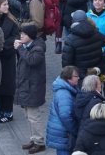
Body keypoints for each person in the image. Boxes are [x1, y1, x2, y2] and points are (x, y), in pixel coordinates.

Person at [14, 24, 47, 153]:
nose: (21, 36)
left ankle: (39, 142)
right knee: (28, 115)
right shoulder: (28, 46)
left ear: (31, 36)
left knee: (34, 116)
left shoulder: (37, 49)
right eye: (21, 33)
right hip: (26, 87)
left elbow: (31, 60)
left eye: (24, 34)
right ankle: (33, 139)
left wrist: (20, 49)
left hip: (33, 88)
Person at [45, 66, 80, 155]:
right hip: (64, 135)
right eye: (76, 76)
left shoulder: (68, 89)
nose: (78, 78)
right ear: (68, 78)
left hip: (63, 134)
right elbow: (65, 116)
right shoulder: (64, 94)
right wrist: (76, 130)